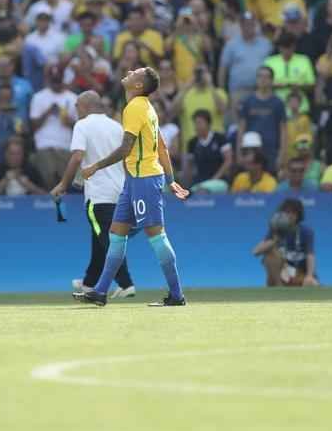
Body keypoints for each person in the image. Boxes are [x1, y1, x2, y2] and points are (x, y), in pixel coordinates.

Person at [73, 67, 189, 307]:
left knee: (157, 237)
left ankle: (177, 295)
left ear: (138, 86)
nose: (130, 71)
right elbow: (163, 147)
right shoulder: (147, 108)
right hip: (135, 181)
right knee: (116, 235)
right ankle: (100, 292)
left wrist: (95, 166)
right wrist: (170, 180)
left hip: (144, 179)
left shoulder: (135, 107)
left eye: (136, 72)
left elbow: (126, 148)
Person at [51, 90, 136, 299]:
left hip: (98, 197)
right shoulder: (117, 127)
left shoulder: (82, 125)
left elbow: (77, 156)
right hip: (119, 194)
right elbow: (125, 159)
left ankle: (126, 283)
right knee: (99, 241)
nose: (76, 110)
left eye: (77, 106)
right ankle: (89, 284)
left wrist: (63, 184)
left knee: (106, 241)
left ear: (86, 106)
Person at [253, 198, 318, 287]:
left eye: (293, 213)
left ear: (298, 215)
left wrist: (309, 276)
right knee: (269, 254)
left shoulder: (306, 231)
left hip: (299, 273)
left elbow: (310, 255)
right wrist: (275, 240)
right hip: (281, 274)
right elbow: (255, 251)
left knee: (312, 284)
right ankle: (278, 287)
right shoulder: (275, 229)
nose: (289, 215)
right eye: (286, 212)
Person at [184, 109, 231, 193]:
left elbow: (228, 160)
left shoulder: (220, 138)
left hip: (219, 181)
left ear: (208, 124)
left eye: (200, 123)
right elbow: (189, 166)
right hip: (199, 182)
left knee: (203, 191)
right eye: (195, 123)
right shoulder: (192, 143)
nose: (197, 126)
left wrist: (215, 179)